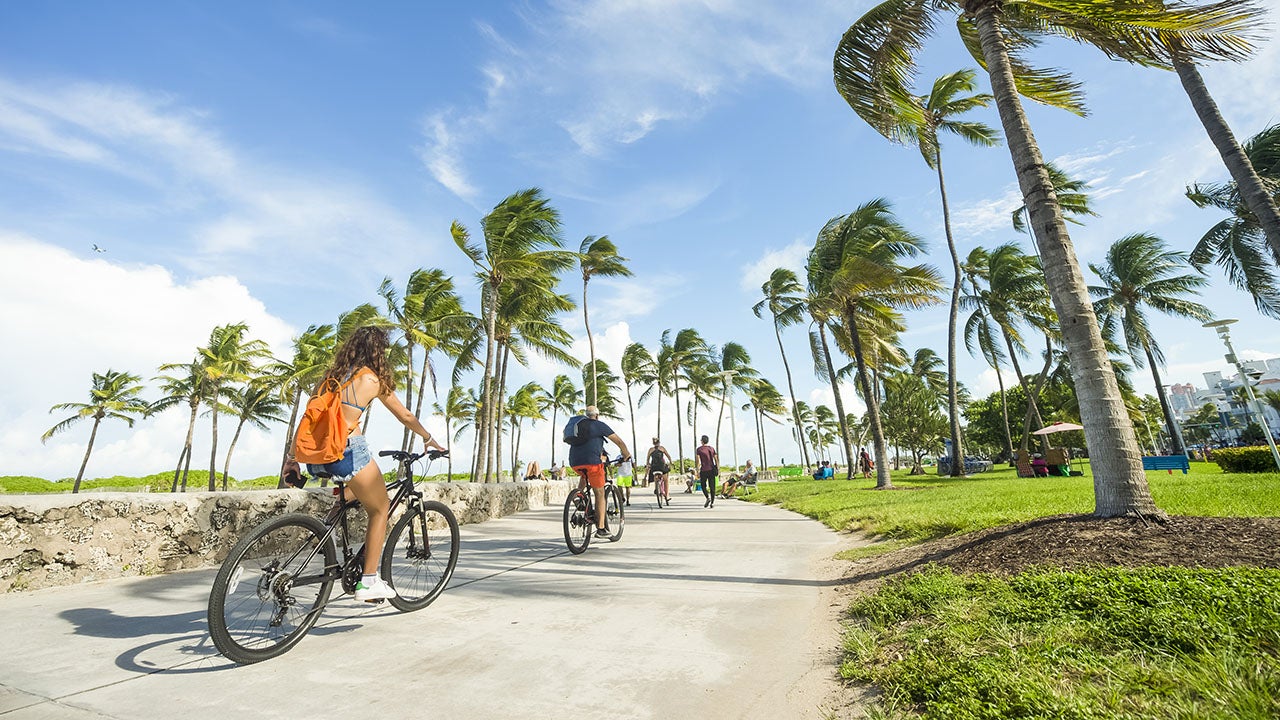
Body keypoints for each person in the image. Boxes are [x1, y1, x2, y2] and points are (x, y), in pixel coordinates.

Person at [304, 326, 448, 602]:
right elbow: (405, 415)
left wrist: (291, 460)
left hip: (317, 454)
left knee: (358, 490)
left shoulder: (330, 378)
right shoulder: (372, 379)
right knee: (380, 508)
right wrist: (429, 438)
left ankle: (328, 525)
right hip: (347, 450)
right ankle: (369, 581)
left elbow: (309, 417)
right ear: (377, 351)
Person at [565, 406, 631, 537]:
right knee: (599, 492)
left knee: (584, 475)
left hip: (574, 463)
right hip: (592, 463)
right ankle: (601, 528)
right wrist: (626, 454)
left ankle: (578, 496)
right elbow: (619, 442)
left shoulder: (578, 426)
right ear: (597, 415)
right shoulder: (599, 425)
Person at [646, 438, 673, 507]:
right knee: (666, 480)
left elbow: (648, 459)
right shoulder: (662, 448)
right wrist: (671, 462)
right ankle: (667, 495)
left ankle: (656, 487)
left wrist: (648, 465)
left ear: (653, 443)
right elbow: (668, 456)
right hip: (661, 466)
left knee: (655, 474)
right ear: (659, 443)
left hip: (654, 466)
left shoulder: (650, 449)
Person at [696, 435, 719, 508]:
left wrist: (697, 470)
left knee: (703, 485)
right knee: (712, 487)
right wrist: (718, 468)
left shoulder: (699, 449)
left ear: (702, 441)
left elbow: (698, 460)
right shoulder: (711, 448)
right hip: (712, 469)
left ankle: (707, 497)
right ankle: (712, 502)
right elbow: (716, 459)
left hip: (704, 470)